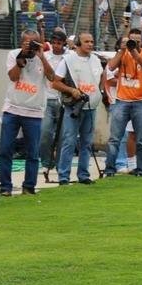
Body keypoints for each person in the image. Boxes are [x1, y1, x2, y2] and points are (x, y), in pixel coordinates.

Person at [0, 29, 68, 196]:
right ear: (21, 42)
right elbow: (13, 77)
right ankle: (5, 188)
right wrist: (21, 58)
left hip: (34, 112)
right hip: (12, 109)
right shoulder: (13, 54)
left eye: (34, 43)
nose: (30, 46)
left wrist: (41, 55)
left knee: (32, 152)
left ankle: (29, 187)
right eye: (27, 43)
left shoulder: (44, 58)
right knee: (5, 150)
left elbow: (52, 78)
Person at [55, 32, 106, 185]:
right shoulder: (68, 60)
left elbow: (103, 76)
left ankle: (83, 174)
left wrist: (99, 92)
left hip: (91, 106)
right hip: (74, 106)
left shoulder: (96, 60)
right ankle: (63, 176)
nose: (90, 44)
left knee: (87, 142)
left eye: (91, 41)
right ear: (78, 43)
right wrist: (71, 91)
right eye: (86, 41)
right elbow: (56, 82)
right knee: (69, 141)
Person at [104, 28, 142, 177]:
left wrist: (136, 55)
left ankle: (141, 169)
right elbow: (111, 67)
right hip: (122, 100)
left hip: (141, 101)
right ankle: (110, 169)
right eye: (132, 40)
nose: (134, 43)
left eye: (137, 41)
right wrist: (122, 50)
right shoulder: (123, 53)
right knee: (115, 138)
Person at [38, 28, 69, 177]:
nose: (56, 46)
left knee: (63, 136)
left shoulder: (69, 56)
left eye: (59, 43)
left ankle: (59, 164)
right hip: (47, 99)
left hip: (64, 100)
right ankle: (46, 163)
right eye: (54, 43)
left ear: (64, 43)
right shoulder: (45, 56)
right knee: (45, 133)